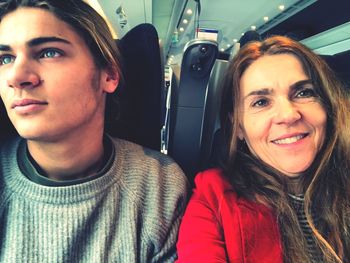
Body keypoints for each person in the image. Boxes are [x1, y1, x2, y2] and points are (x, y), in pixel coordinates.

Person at [0, 0, 189, 262]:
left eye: (49, 52)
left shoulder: (158, 187)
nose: (16, 76)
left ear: (109, 75)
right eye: (5, 58)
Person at [176, 35, 350, 262]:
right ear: (238, 126)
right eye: (261, 102)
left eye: (304, 92)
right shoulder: (213, 198)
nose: (288, 115)